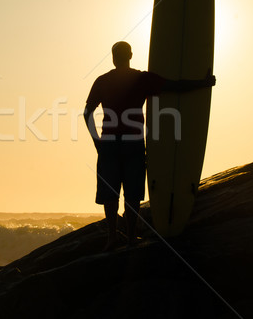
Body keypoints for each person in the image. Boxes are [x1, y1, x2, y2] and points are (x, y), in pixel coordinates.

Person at [84, 41, 215, 250]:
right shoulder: (142, 79)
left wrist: (97, 141)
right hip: (133, 143)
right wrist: (203, 82)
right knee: (133, 191)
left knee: (110, 192)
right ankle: (129, 238)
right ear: (130, 55)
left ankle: (111, 237)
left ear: (113, 57)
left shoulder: (103, 81)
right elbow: (176, 86)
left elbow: (87, 111)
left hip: (108, 143)